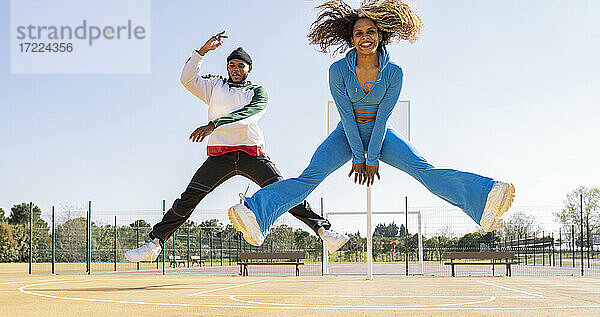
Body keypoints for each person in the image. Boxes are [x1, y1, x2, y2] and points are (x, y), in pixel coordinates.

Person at [228, 0, 515, 246]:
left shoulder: (395, 73)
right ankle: (254, 211)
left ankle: (485, 197)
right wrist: (357, 155)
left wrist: (372, 157)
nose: (365, 37)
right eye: (358, 33)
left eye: (371, 32)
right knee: (309, 178)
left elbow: (383, 117)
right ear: (351, 39)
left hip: (381, 135)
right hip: (346, 134)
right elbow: (346, 116)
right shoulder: (338, 70)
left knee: (424, 171)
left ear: (381, 35)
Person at [125, 32, 349, 262]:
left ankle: (324, 231)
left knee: (285, 193)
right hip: (220, 157)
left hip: (251, 154)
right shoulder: (215, 86)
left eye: (240, 65)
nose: (235, 69)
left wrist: (215, 124)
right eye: (231, 65)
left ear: (249, 68)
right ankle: (154, 243)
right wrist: (201, 52)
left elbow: (249, 115)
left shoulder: (257, 92)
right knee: (189, 197)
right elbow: (187, 79)